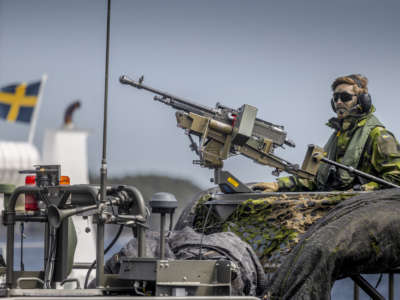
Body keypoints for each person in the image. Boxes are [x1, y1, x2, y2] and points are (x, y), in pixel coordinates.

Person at [253, 74, 400, 192]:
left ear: (363, 101)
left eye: (345, 97)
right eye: (335, 98)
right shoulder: (338, 136)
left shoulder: (380, 136)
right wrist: (278, 185)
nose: (339, 102)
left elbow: (396, 177)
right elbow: (315, 180)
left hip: (364, 209)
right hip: (336, 204)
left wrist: (361, 190)